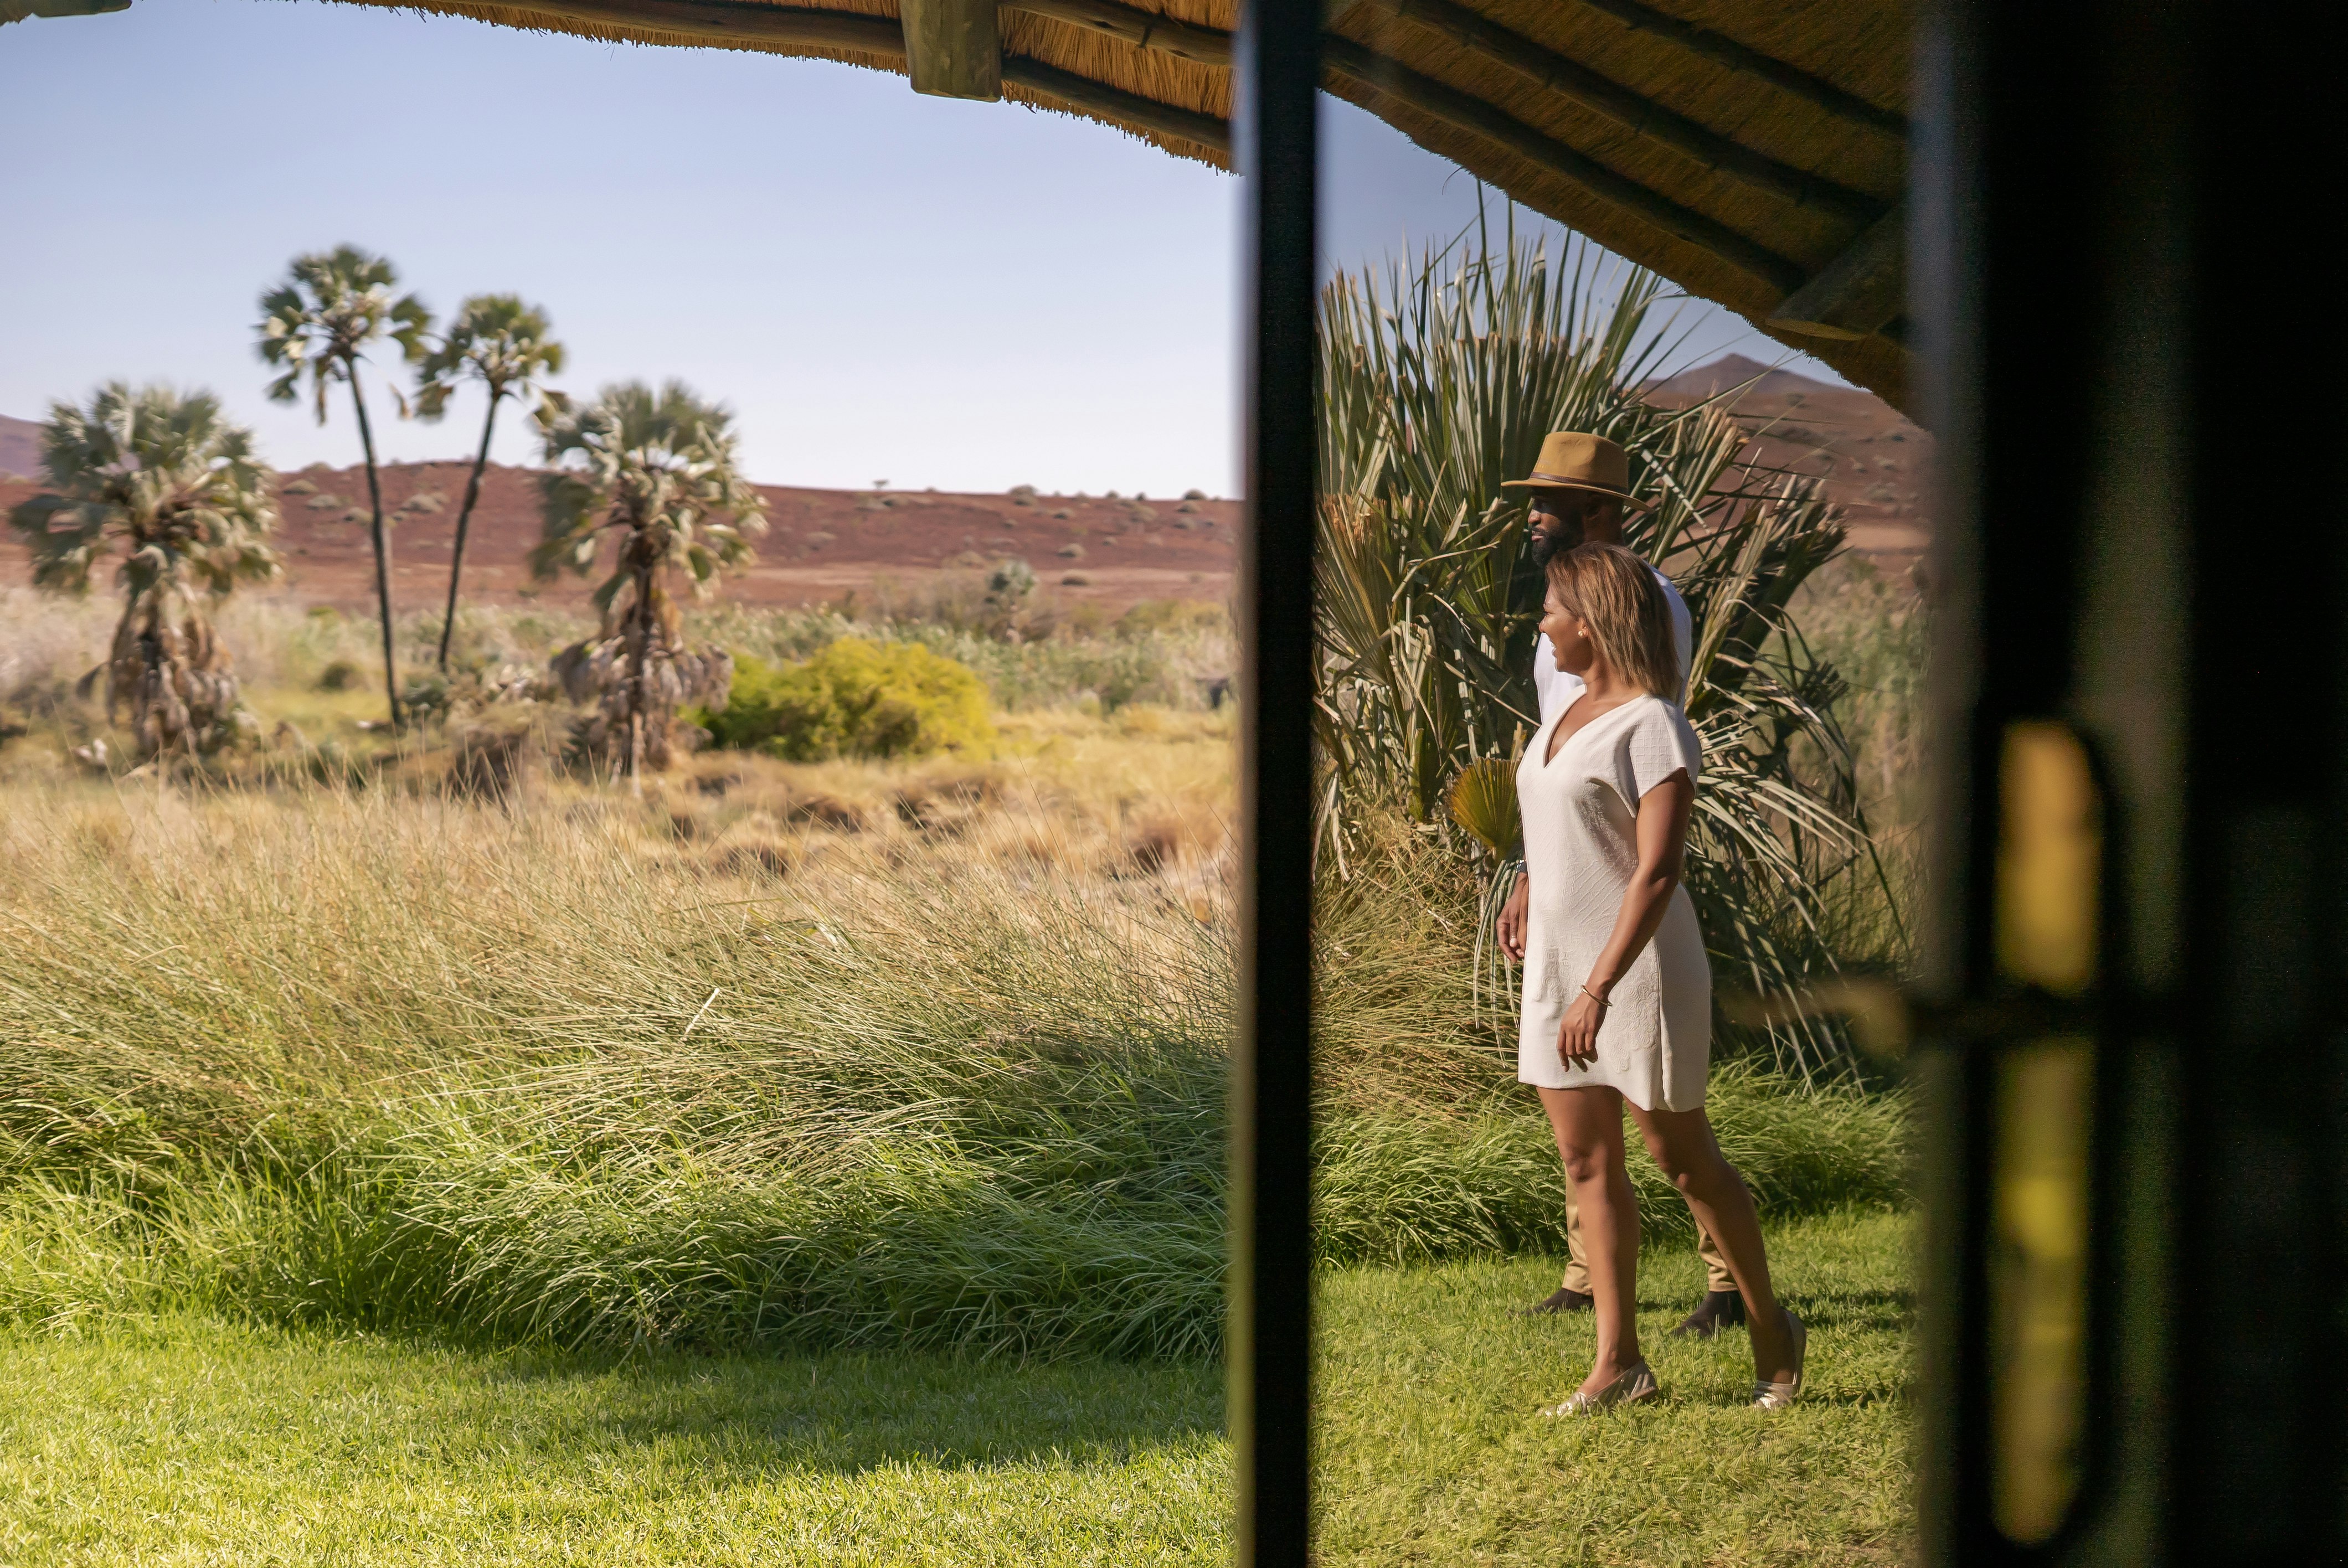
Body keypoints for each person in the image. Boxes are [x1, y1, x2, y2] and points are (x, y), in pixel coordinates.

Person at [1516, 540, 1806, 1413]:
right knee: (1585, 1161)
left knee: (1683, 1161)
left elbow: (1657, 871)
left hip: (1634, 971)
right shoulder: (1561, 717)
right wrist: (1527, 888)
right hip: (1557, 966)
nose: (1542, 624)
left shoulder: (1652, 724)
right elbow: (1560, 828)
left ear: (1593, 622)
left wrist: (1599, 988)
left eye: (1553, 609)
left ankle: (1771, 1329)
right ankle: (1619, 1366)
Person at [1494, 431, 1746, 1340]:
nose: (1533, 515)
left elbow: (1643, 736)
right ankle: (1586, 1272)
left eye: (1550, 501)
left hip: (1619, 873)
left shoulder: (1645, 602)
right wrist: (1532, 870)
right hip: (1566, 869)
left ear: (1599, 510)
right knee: (1584, 1114)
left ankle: (1729, 1282)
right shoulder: (1560, 612)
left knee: (1666, 1118)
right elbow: (1559, 752)